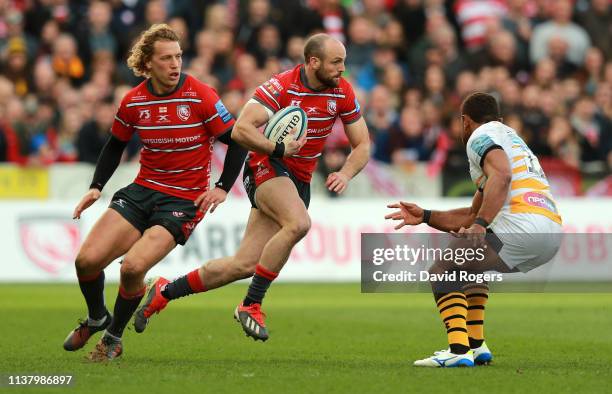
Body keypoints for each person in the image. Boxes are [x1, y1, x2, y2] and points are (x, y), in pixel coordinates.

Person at [133, 33, 371, 341]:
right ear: (314, 62)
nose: (342, 69)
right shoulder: (283, 86)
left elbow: (362, 143)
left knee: (243, 264)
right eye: (336, 62)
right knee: (298, 223)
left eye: (343, 62)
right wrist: (277, 149)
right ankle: (251, 304)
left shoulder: (341, 91)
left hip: (299, 179)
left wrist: (347, 173)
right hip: (267, 165)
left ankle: (164, 291)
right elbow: (242, 129)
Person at [61, 24, 247, 361]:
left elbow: (235, 142)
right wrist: (96, 187)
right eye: (166, 58)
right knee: (86, 261)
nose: (175, 64)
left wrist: (221, 187)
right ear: (148, 64)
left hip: (183, 200)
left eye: (178, 56)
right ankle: (96, 317)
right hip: (142, 190)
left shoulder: (200, 95)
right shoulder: (134, 101)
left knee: (132, 269)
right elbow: (115, 145)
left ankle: (113, 337)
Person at [385, 92, 563, 367]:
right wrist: (427, 216)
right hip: (550, 230)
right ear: (499, 119)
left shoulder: (480, 138)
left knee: (443, 269)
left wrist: (481, 225)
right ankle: (477, 346)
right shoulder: (512, 140)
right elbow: (471, 214)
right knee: (469, 267)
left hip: (521, 223)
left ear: (465, 121)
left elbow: (501, 178)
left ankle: (458, 350)